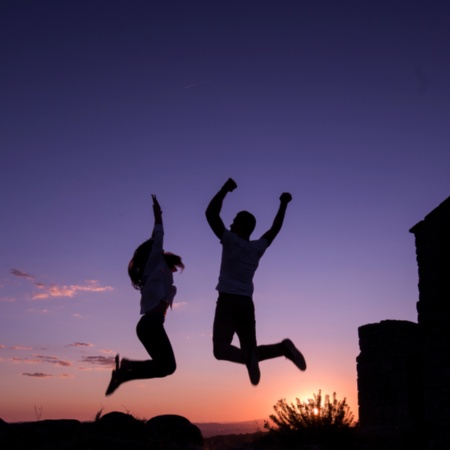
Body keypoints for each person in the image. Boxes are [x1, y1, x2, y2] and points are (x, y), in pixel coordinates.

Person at [205, 178, 306, 385]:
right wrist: (283, 204)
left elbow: (211, 214)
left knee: (220, 349)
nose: (231, 224)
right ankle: (282, 348)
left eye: (234, 221)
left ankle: (249, 358)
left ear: (240, 225)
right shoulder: (256, 249)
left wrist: (225, 189)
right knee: (251, 352)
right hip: (246, 305)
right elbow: (274, 229)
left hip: (227, 303)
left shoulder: (230, 241)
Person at [105, 195, 184, 396]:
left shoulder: (158, 273)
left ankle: (125, 370)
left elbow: (159, 248)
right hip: (150, 325)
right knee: (168, 367)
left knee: (166, 367)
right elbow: (158, 238)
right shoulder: (152, 265)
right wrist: (158, 214)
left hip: (150, 325)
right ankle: (125, 371)